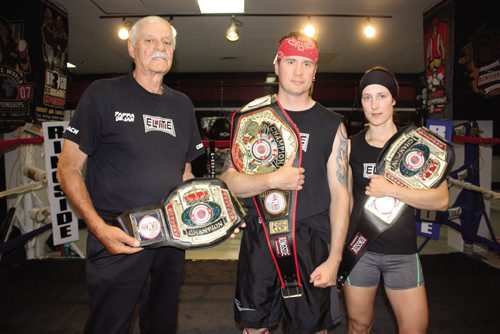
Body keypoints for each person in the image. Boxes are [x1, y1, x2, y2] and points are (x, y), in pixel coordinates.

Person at [56, 16, 205, 334]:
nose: (160, 47)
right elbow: (67, 168)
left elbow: (185, 171)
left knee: (162, 325)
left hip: (169, 238)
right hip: (118, 235)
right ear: (132, 47)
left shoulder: (182, 105)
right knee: (108, 325)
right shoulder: (103, 94)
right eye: (150, 40)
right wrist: (98, 229)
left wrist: (211, 211)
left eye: (167, 42)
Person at [221, 31, 350, 334]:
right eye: (291, 61)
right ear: (277, 64)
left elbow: (341, 195)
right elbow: (228, 182)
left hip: (313, 242)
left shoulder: (333, 125)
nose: (298, 71)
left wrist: (335, 258)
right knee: (253, 329)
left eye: (307, 64)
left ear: (315, 71)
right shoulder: (252, 117)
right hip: (261, 238)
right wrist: (272, 179)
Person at [343, 66, 450, 334]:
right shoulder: (349, 146)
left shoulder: (417, 144)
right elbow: (342, 201)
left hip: (402, 252)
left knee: (415, 328)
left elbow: (441, 200)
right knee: (358, 325)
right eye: (367, 97)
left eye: (381, 96)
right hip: (360, 251)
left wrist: (393, 189)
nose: (374, 105)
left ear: (393, 99)